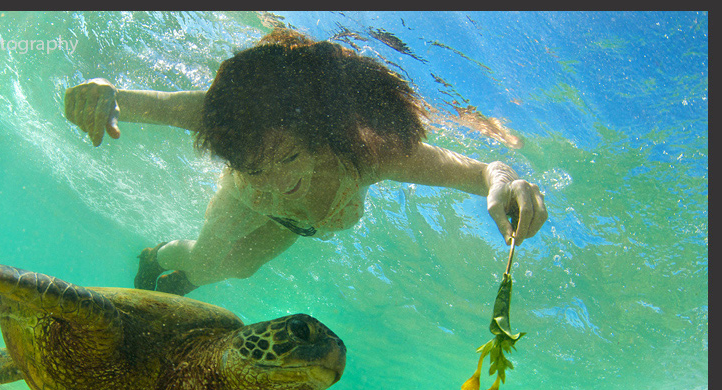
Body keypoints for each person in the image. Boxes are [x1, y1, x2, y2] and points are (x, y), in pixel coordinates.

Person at [65, 28, 547, 296]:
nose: (277, 180)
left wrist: (507, 181)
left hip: (299, 226)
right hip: (243, 204)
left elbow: (482, 170)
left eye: (289, 156)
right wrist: (103, 93)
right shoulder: (225, 117)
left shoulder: (364, 154)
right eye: (256, 165)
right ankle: (157, 255)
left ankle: (183, 270)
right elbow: (140, 103)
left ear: (319, 137)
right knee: (207, 264)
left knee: (243, 270)